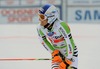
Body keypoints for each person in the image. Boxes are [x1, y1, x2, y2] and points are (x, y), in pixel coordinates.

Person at [37, 4, 78, 69]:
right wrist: (54, 53)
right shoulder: (40, 28)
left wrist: (68, 59)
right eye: (39, 16)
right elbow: (43, 41)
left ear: (51, 17)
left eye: (42, 17)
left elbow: (70, 42)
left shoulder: (61, 26)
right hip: (58, 53)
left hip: (70, 52)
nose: (39, 19)